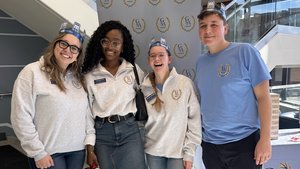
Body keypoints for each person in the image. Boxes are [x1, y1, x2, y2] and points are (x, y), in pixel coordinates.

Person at [195, 0, 272, 169]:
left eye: (214, 24)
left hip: (244, 143)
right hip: (211, 146)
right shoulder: (200, 63)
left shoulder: (245, 52)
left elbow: (264, 97)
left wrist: (265, 140)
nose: (207, 30)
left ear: (226, 28)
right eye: (203, 25)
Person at [11, 22, 89, 169]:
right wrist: (37, 152)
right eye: (63, 44)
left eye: (74, 48)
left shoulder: (79, 78)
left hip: (77, 151)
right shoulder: (32, 72)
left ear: (78, 55)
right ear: (55, 44)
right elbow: (20, 116)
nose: (68, 51)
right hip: (48, 152)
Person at [82, 20, 147, 169]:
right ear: (100, 43)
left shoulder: (133, 70)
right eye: (106, 41)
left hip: (130, 131)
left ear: (123, 47)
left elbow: (150, 93)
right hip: (102, 134)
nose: (110, 47)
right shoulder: (90, 75)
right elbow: (87, 113)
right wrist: (90, 147)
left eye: (116, 43)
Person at [141, 36, 201, 169]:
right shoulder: (144, 87)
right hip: (153, 152)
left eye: (161, 55)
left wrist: (189, 152)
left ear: (169, 59)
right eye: (153, 56)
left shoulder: (184, 83)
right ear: (148, 60)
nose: (157, 59)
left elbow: (194, 120)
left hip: (178, 153)